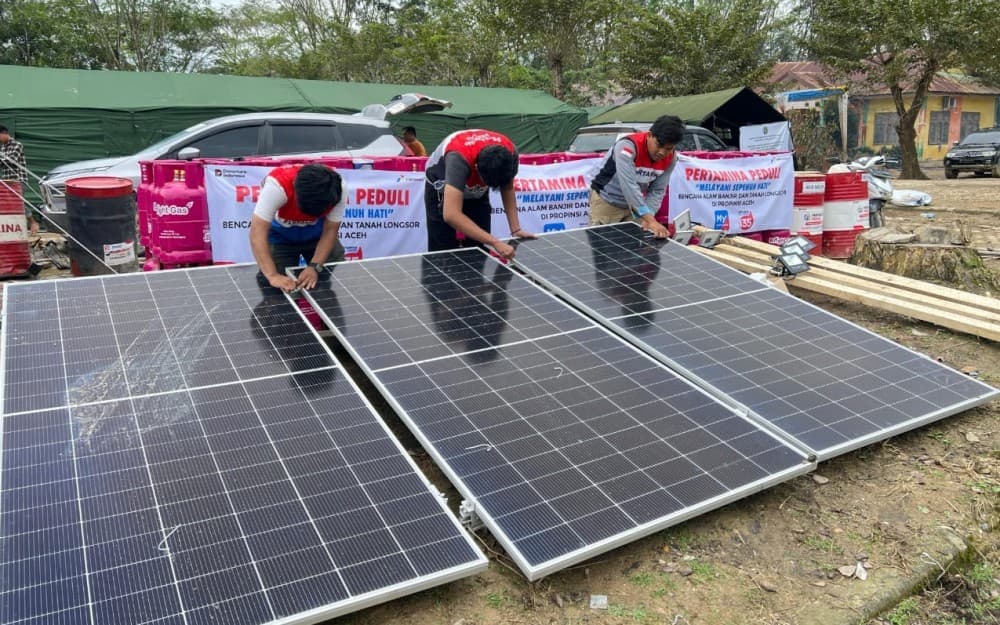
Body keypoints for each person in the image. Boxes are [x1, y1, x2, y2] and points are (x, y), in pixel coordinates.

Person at [424, 129, 534, 259]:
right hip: (441, 188)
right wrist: (495, 242)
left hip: (476, 194)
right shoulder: (458, 159)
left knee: (479, 249)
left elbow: (508, 188)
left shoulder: (509, 154)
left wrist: (516, 229)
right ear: (477, 169)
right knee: (443, 252)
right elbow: (451, 215)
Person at [250, 163, 346, 293]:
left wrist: (314, 266)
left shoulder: (337, 188)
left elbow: (330, 230)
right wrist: (272, 275)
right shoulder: (277, 186)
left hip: (318, 235)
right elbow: (257, 232)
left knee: (338, 276)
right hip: (280, 238)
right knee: (278, 288)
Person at [588, 114, 685, 239]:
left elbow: (658, 190)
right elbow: (629, 186)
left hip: (634, 208)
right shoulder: (627, 147)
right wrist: (650, 219)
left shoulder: (671, 158)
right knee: (603, 247)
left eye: (668, 148)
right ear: (649, 135)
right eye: (659, 145)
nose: (662, 152)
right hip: (607, 201)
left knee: (635, 249)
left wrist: (649, 214)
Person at [0, 124, 38, 234]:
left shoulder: (17, 145)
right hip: (7, 181)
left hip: (18, 180)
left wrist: (2, 160)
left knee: (20, 202)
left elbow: (11, 160)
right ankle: (17, 227)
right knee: (12, 204)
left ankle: (33, 222)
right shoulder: (3, 147)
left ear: (4, 133)